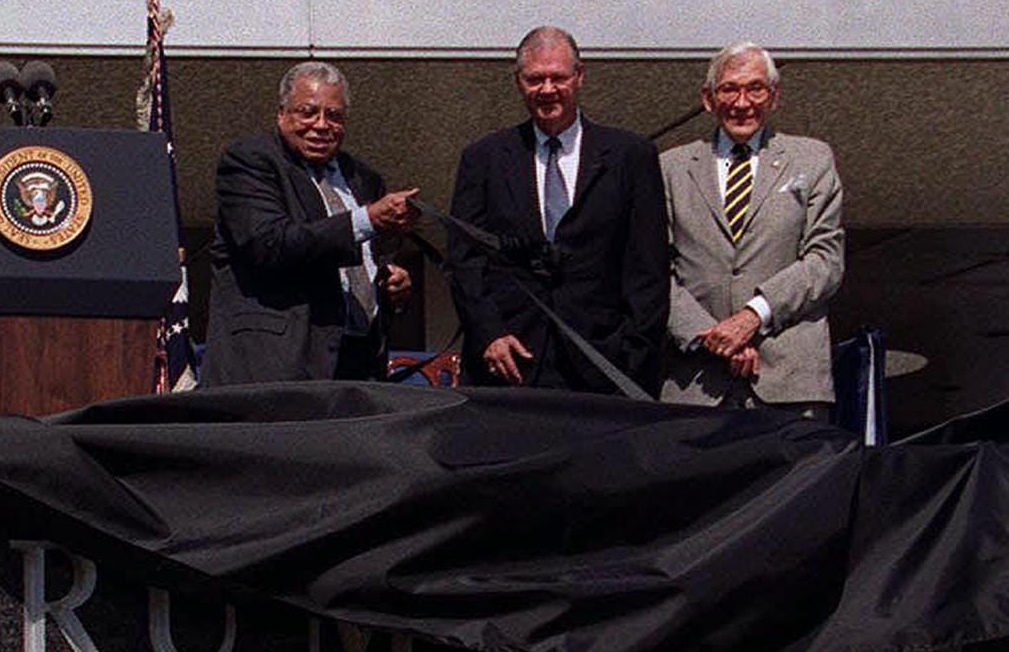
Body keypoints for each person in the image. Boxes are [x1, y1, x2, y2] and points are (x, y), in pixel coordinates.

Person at [447, 26, 669, 395]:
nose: (547, 89)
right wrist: (489, 333)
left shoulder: (630, 156)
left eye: (558, 77)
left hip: (603, 365)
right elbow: (464, 259)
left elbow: (649, 268)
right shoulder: (484, 158)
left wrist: (634, 353)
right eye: (535, 79)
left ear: (579, 76)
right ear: (519, 83)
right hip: (511, 362)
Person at [201, 61, 419, 386]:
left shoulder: (364, 178)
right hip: (276, 365)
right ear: (281, 114)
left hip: (357, 364)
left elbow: (368, 257)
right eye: (307, 112)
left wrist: (392, 283)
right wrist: (367, 219)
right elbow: (270, 244)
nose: (321, 125)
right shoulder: (250, 162)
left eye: (334, 116)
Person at [659, 42, 843, 419]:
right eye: (729, 89)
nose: (742, 102)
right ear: (708, 99)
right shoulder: (671, 167)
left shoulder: (813, 159)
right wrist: (713, 337)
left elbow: (825, 261)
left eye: (755, 89)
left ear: (773, 97)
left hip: (789, 383)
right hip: (696, 383)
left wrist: (753, 316)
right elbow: (654, 271)